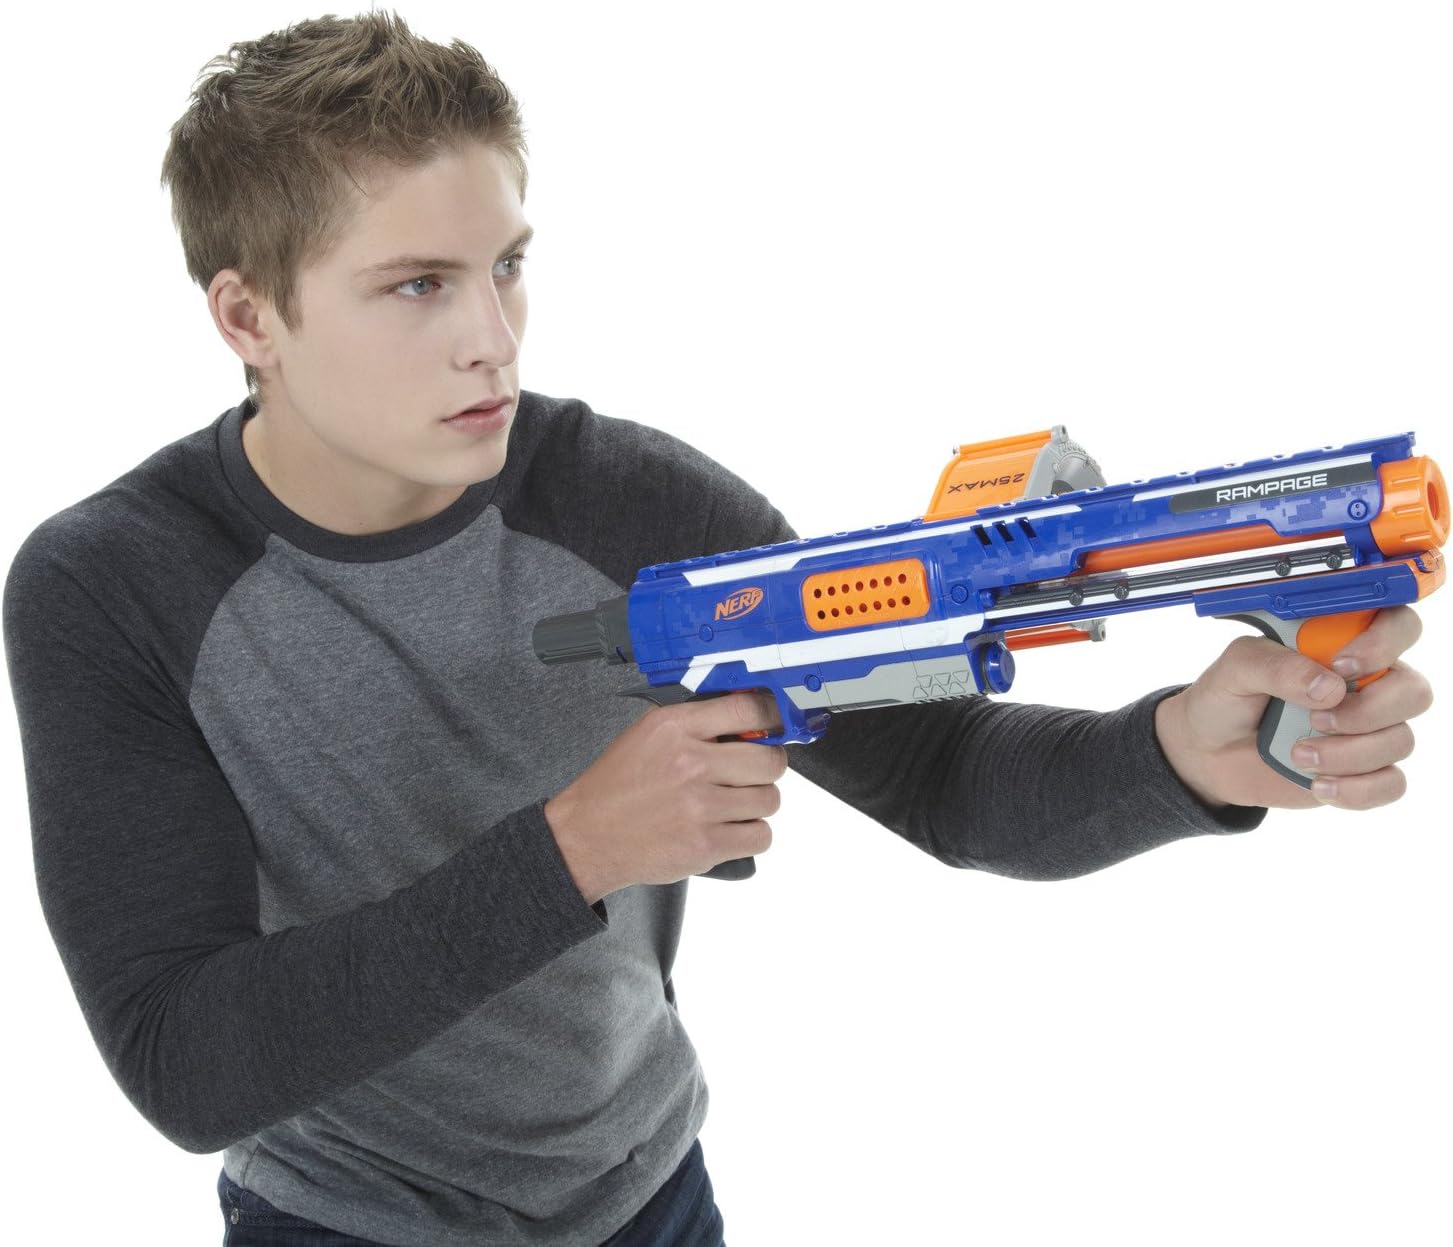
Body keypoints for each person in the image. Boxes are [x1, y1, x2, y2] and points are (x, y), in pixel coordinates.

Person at [0, 11, 1433, 1247]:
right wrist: (578, 848)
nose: (492, 336)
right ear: (249, 315)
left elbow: (943, 775)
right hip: (338, 1223)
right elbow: (183, 1061)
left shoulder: (633, 500)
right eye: (417, 285)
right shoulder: (110, 586)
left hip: (651, 1194)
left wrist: (1177, 755)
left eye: (508, 265)